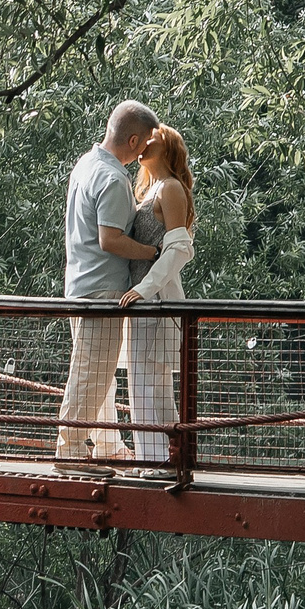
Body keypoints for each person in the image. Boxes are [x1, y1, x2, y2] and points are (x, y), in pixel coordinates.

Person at [57, 101, 158, 461]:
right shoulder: (114, 179)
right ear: (133, 140)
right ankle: (69, 452)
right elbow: (110, 239)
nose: (146, 150)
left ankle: (107, 445)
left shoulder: (87, 164)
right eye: (145, 143)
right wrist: (151, 253)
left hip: (80, 284)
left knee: (101, 374)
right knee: (91, 375)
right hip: (101, 290)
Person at [119, 124, 197, 463]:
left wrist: (144, 288)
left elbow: (179, 248)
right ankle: (155, 459)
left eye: (153, 137)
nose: (144, 141)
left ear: (167, 148)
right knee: (142, 382)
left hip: (158, 300)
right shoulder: (150, 191)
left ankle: (160, 461)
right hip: (140, 301)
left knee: (152, 382)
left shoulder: (171, 189)